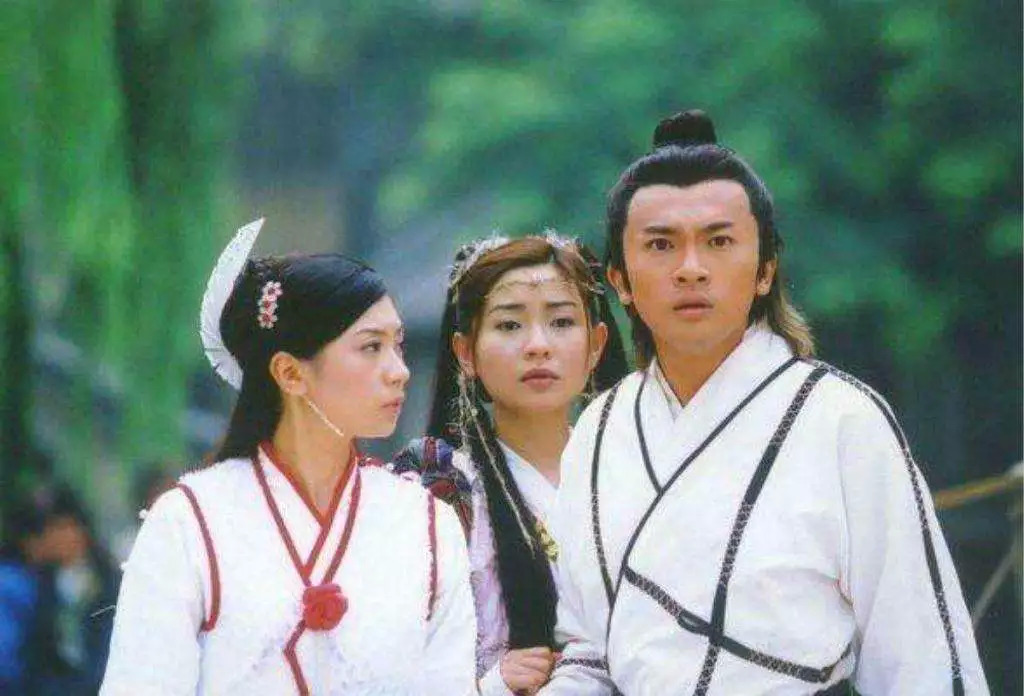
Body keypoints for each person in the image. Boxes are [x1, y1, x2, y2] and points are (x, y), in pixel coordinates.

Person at [540, 111, 988, 695]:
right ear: (620, 280)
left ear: (765, 270)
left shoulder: (843, 419)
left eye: (719, 241)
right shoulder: (599, 430)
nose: (691, 269)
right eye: (661, 245)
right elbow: (588, 651)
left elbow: (919, 654)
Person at [100, 219, 475, 695]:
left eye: (397, 345)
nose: (399, 371)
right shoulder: (187, 521)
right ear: (290, 373)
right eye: (371, 347)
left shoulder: (428, 523)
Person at [392, 234, 627, 695]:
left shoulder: (637, 474)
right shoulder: (441, 493)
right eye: (509, 325)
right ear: (465, 352)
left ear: (596, 345)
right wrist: (490, 685)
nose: (538, 345)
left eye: (561, 322)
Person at [0, 481, 119, 695]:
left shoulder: (109, 582)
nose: (60, 537)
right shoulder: (39, 586)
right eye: (52, 529)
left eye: (65, 527)